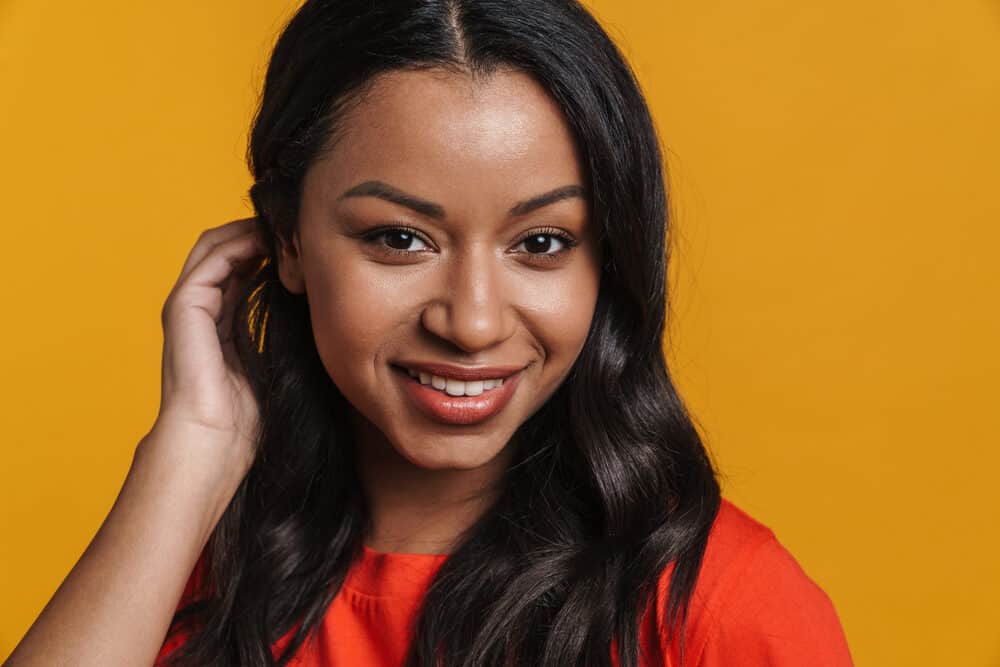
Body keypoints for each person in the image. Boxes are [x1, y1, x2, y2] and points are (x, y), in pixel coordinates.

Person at [5, 1, 854, 666]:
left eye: (542, 243)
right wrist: (190, 450)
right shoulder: (185, 567)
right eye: (400, 238)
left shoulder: (715, 607)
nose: (473, 320)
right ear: (289, 240)